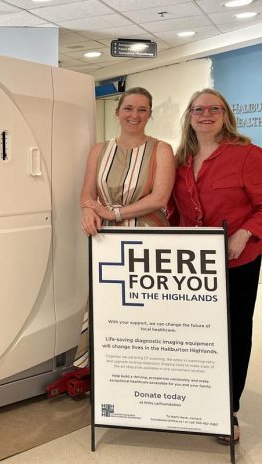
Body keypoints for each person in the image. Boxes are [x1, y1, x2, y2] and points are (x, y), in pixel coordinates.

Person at [168, 88, 262, 445]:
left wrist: (244, 234)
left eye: (213, 109)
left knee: (234, 332)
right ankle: (197, 400)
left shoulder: (248, 155)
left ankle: (228, 409)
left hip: (238, 260)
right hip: (191, 267)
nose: (205, 114)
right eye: (198, 109)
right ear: (189, 116)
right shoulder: (179, 159)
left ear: (225, 115)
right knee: (197, 333)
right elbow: (175, 214)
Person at [76, 87, 175, 367]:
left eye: (142, 110)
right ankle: (111, 373)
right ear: (118, 112)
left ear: (150, 115)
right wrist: (87, 211)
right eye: (129, 108)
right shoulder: (99, 150)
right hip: (107, 240)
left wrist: (112, 212)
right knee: (110, 303)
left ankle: (149, 368)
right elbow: (87, 194)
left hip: (149, 239)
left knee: (147, 305)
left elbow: (159, 199)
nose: (135, 115)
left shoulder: (161, 149)